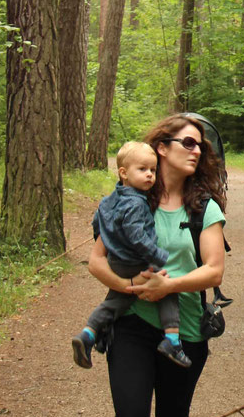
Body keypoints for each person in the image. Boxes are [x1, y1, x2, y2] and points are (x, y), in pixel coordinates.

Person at [88, 114, 227, 417]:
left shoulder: (204, 208)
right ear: (162, 147)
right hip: (131, 325)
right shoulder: (128, 200)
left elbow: (214, 269)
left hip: (183, 332)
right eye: (188, 142)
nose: (196, 150)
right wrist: (130, 289)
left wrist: (168, 285)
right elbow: (96, 262)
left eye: (201, 146)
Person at [71, 140, 190, 371]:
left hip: (116, 261)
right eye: (143, 169)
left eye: (153, 171)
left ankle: (88, 334)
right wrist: (156, 254)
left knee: (117, 300)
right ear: (124, 173)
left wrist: (108, 237)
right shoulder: (136, 202)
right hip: (134, 261)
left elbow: (98, 221)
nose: (149, 175)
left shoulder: (110, 199)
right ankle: (173, 341)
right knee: (166, 288)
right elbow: (137, 236)